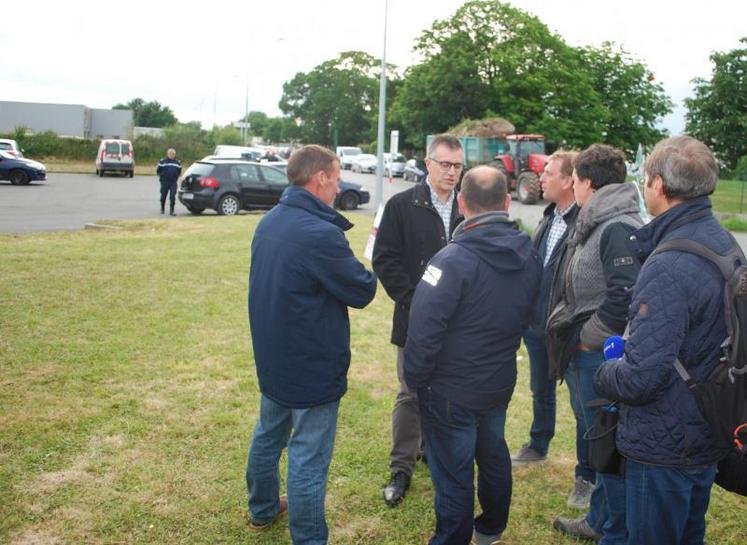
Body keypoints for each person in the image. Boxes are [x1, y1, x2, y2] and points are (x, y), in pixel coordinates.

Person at [594, 136, 731, 544]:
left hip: (666, 443)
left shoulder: (669, 263)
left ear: (658, 185)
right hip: (707, 423)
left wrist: (604, 374)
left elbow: (642, 378)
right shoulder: (723, 243)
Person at [245, 145, 377, 544]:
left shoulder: (271, 221)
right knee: (307, 456)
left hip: (275, 356)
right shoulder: (320, 234)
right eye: (336, 178)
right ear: (320, 177)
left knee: (269, 433)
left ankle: (263, 508)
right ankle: (308, 537)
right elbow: (362, 288)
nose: (338, 187)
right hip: (310, 364)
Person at [404, 165, 541, 545]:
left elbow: (422, 332)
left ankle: (458, 537)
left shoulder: (450, 260)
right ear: (507, 202)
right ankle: (491, 528)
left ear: (462, 204)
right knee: (492, 451)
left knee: (454, 471)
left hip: (452, 391)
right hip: (496, 382)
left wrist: (415, 381)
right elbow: (530, 311)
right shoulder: (529, 253)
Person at [546, 144, 643, 544]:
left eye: (575, 179)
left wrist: (589, 341)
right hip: (584, 351)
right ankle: (600, 519)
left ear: (585, 182)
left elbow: (627, 294)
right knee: (598, 440)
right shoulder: (599, 218)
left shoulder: (617, 225)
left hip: (597, 356)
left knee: (605, 446)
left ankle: (612, 529)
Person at [372, 134, 463, 506]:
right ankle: (401, 469)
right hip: (414, 320)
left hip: (459, 325)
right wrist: (414, 301)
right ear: (428, 164)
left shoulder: (467, 205)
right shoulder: (400, 205)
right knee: (410, 393)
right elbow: (384, 259)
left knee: (450, 393)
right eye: (445, 164)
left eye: (458, 166)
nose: (452, 172)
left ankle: (438, 455)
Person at [511, 152, 579, 475]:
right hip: (537, 324)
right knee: (541, 387)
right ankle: (539, 444)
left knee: (582, 402)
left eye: (549, 172)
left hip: (569, 330)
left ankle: (589, 472)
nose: (541, 177)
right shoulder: (549, 216)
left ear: (569, 180)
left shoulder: (585, 222)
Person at [156, 148, 181, 216]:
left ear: (174, 155)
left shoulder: (177, 162)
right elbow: (158, 171)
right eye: (170, 153)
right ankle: (162, 208)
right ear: (167, 154)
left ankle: (172, 211)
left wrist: (176, 177)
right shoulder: (163, 161)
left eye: (173, 154)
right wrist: (162, 177)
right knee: (163, 196)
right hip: (164, 181)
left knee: (172, 196)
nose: (171, 155)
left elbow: (179, 171)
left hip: (173, 182)